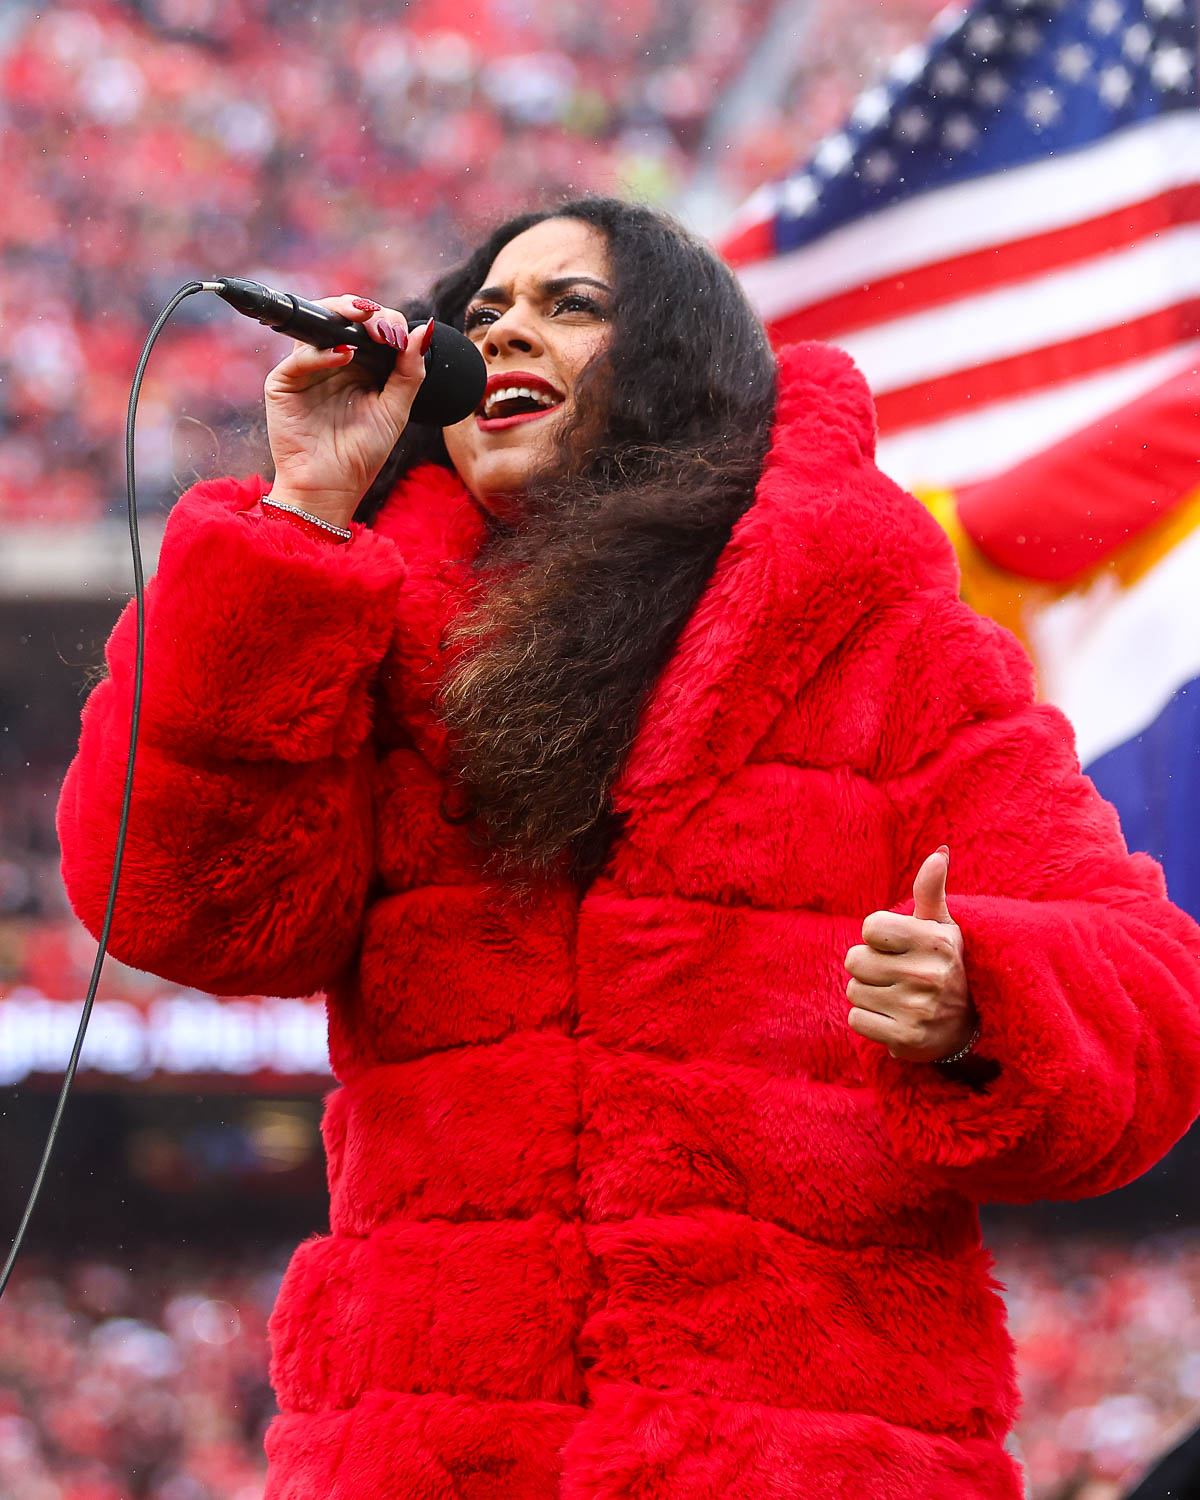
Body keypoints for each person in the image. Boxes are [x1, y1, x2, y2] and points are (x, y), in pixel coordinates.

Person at [57, 197, 1200, 1499]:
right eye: (484, 312)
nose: (505, 332)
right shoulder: (364, 618)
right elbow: (180, 906)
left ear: (680, 366)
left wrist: (979, 998)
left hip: (801, 1456)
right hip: (434, 1452)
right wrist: (305, 511)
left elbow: (1152, 997)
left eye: (570, 306)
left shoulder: (888, 638)